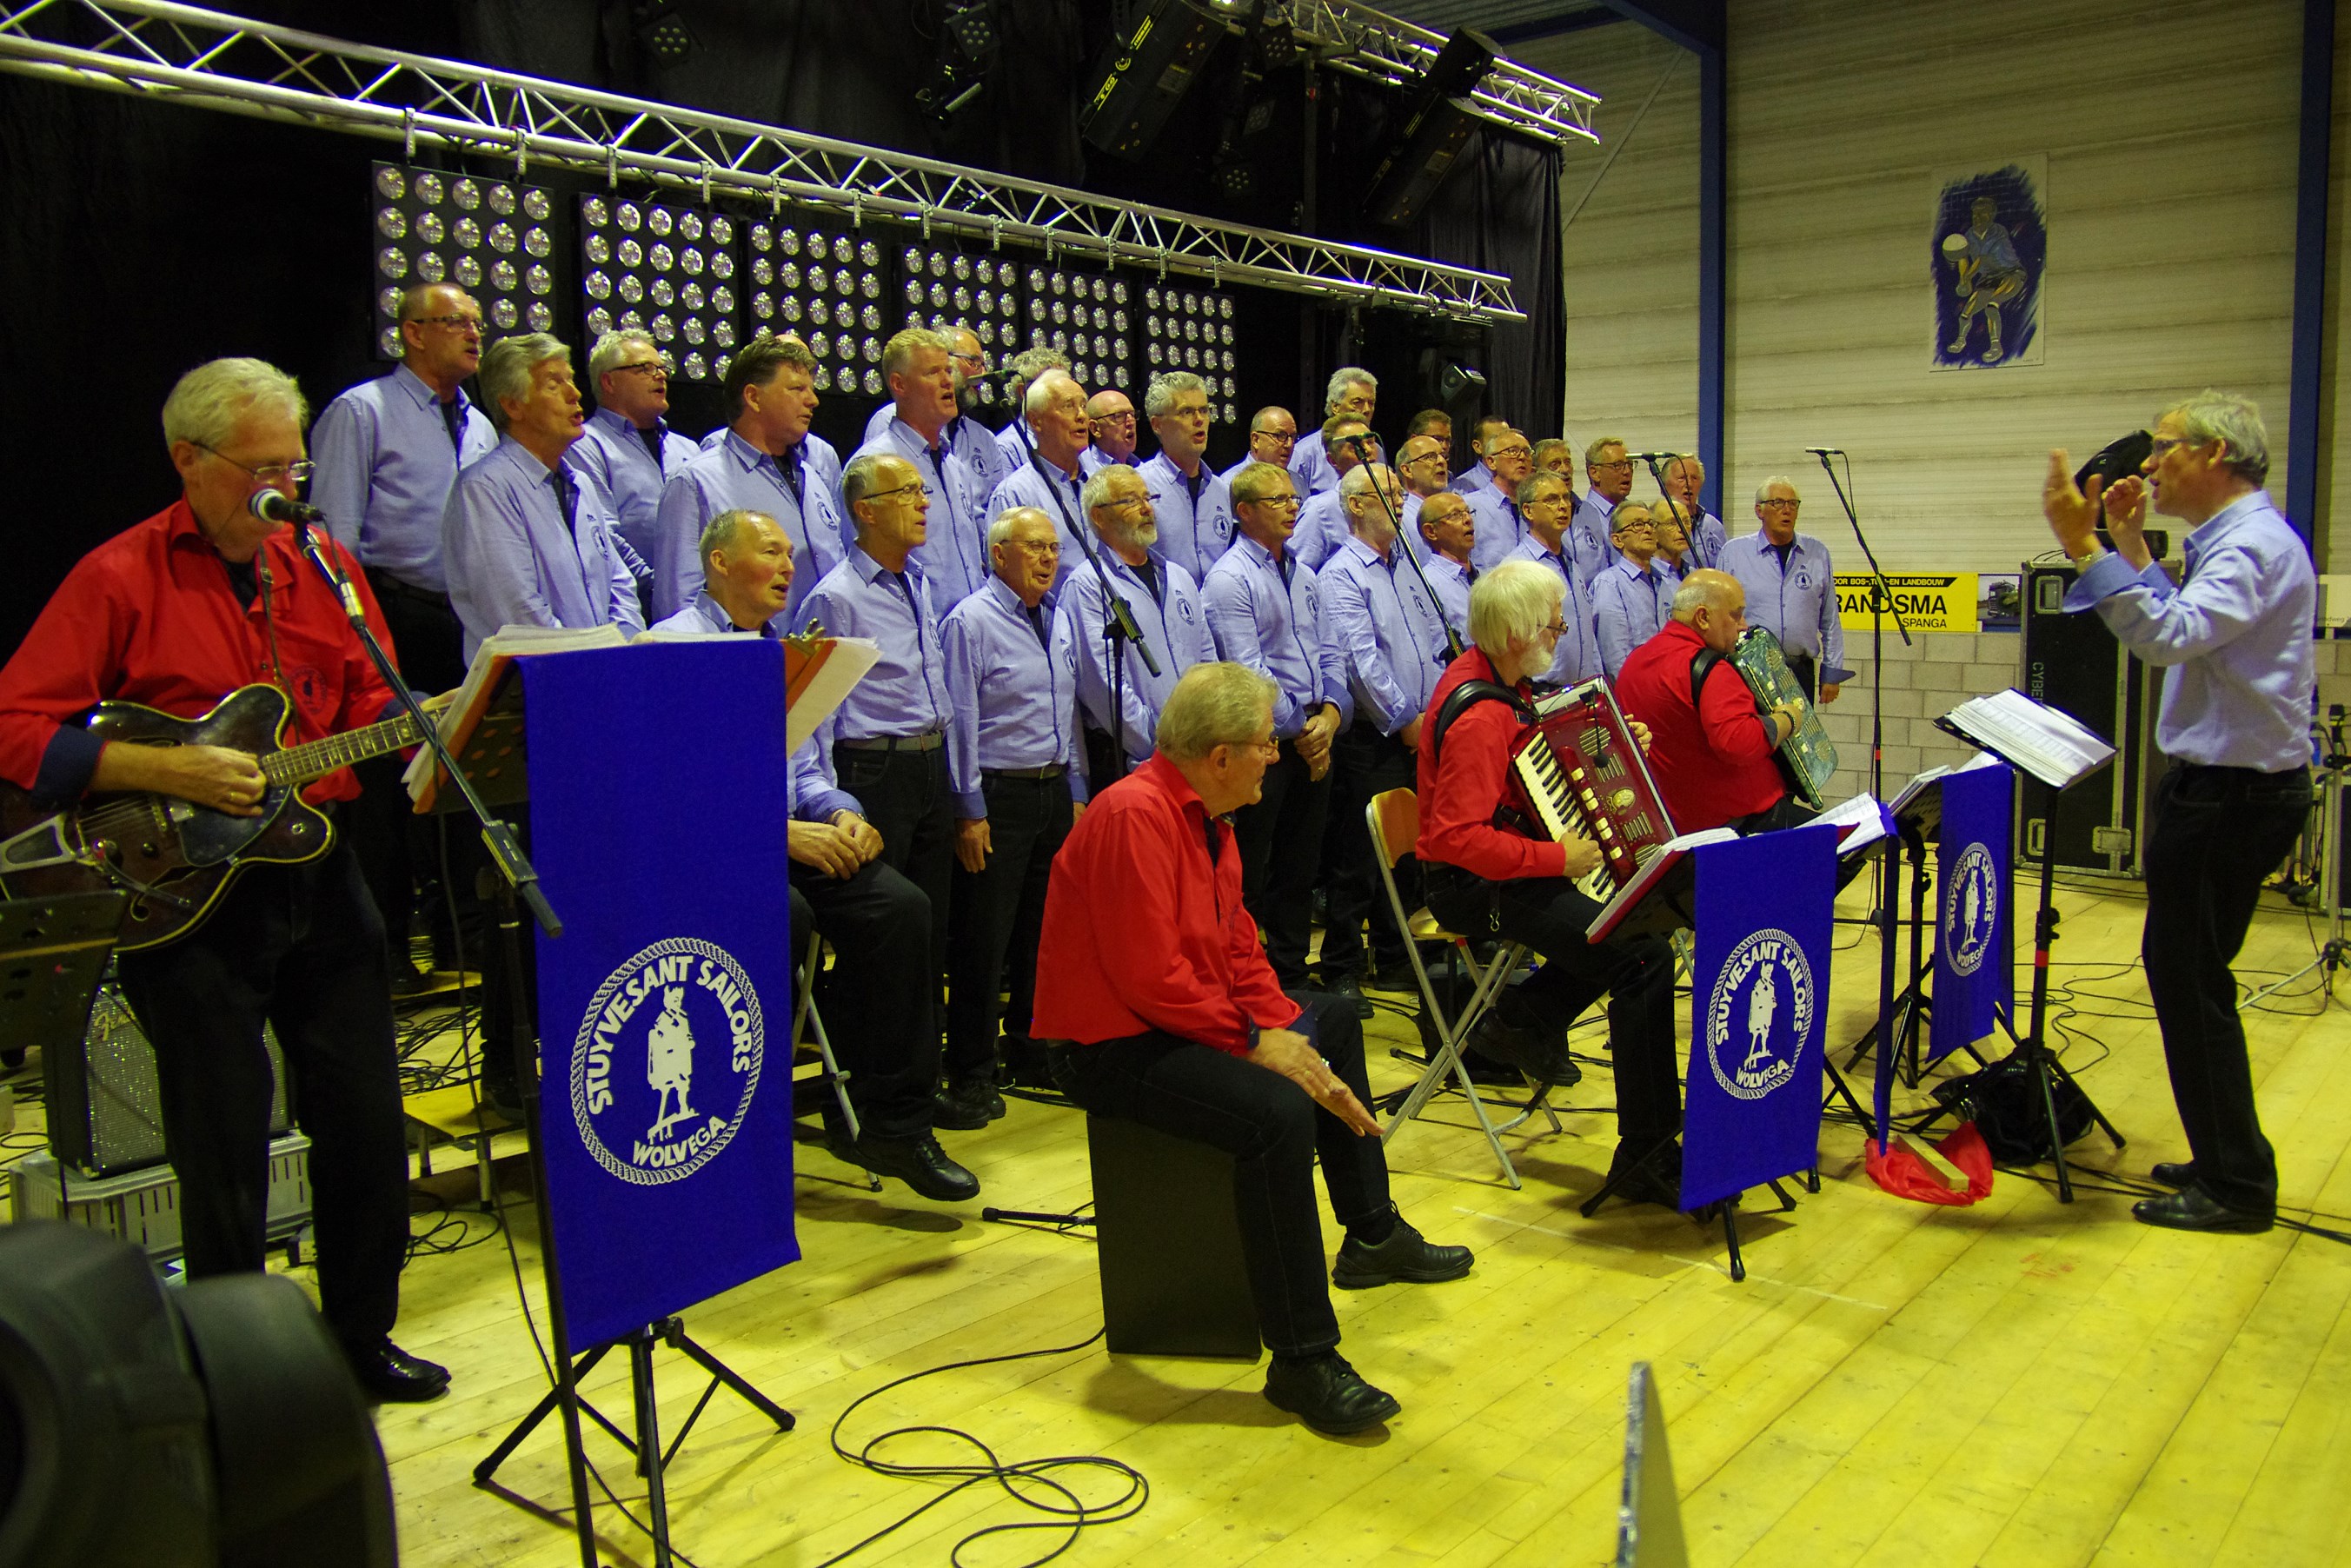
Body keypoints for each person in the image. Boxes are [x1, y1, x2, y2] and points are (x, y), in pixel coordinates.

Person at [0, 357, 444, 1400]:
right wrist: (163, 767)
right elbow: (17, 726)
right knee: (223, 1136)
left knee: (365, 1115)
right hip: (184, 901)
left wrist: (428, 739)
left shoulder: (322, 561)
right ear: (188, 463)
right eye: (261, 469)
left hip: (318, 867)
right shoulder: (119, 575)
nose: (283, 490)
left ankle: (358, 1338)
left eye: (294, 466)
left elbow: (368, 699)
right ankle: (236, 1366)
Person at [1035, 662, 1473, 1435]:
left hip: (1171, 1018)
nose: (1278, 753)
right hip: (1106, 1044)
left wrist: (1284, 1032)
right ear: (1219, 757)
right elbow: (1150, 979)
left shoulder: (1211, 817)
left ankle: (1371, 1233)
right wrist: (1256, 1046)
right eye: (1265, 743)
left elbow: (1237, 948)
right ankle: (1303, 1360)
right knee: (1275, 1111)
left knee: (1331, 1020)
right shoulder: (1132, 816)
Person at [2042, 390, 2314, 1234]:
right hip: (2220, 787)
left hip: (2229, 795)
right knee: (2190, 976)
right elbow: (2194, 628)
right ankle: (2223, 1156)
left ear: (2216, 454)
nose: (2149, 464)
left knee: (2188, 981)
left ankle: (2236, 1184)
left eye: (2163, 448)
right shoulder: (2239, 542)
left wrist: (2082, 544)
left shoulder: (2253, 546)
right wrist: (2126, 544)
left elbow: (2166, 637)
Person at [647, 507, 971, 1200]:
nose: (790, 566)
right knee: (785, 917)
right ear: (719, 563)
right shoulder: (669, 646)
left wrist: (845, 814)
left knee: (900, 908)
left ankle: (892, 1122)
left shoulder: (788, 652)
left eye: (792, 552)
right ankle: (738, 1126)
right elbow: (670, 792)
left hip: (789, 836)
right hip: (708, 853)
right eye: (770, 552)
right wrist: (773, 833)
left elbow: (811, 772)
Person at [1416, 561, 1683, 1204]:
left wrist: (1615, 742)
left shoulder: (1499, 682)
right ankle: (1646, 1152)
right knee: (1641, 956)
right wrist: (1554, 859)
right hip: (1471, 885)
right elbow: (1454, 839)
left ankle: (1520, 1020)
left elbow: (1537, 760)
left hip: (1508, 868)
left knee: (1633, 929)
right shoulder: (1481, 714)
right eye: (1552, 621)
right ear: (1515, 632)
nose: (1562, 630)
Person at [309, 282, 499, 991]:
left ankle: (460, 937)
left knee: (457, 783)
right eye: (456, 323)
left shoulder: (479, 424)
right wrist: (352, 635)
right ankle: (383, 950)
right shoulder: (363, 411)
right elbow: (332, 536)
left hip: (463, 617)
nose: (474, 336)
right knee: (388, 793)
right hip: (391, 612)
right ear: (413, 333)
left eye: (478, 325)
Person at [806, 451, 961, 1115]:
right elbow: (817, 708)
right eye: (906, 493)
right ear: (865, 511)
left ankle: (922, 1082)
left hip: (929, 759)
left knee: (928, 936)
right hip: (874, 769)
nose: (923, 503)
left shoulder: (918, 580)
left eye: (924, 491)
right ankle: (874, 1095)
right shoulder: (836, 595)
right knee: (886, 943)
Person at [942, 508, 1087, 1106]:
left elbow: (1069, 708)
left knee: (1044, 934)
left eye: (1053, 548)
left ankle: (1031, 1049)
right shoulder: (969, 622)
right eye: (1034, 547)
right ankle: (972, 1072)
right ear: (998, 554)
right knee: (986, 940)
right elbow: (960, 722)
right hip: (997, 796)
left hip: (1052, 788)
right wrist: (968, 810)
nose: (1048, 558)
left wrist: (1076, 788)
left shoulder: (1057, 618)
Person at [1203, 462, 1349, 987]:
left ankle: (1289, 969)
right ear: (1244, 513)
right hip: (1264, 740)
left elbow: (1332, 653)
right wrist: (1302, 729)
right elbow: (1248, 669)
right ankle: (1243, 974)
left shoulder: (1305, 575)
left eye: (1294, 498)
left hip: (1314, 734)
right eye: (1278, 500)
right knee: (1253, 866)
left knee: (1300, 864)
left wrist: (1330, 716)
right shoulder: (1229, 578)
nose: (1293, 507)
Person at [1318, 462, 1451, 1010]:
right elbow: (1359, 661)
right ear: (1354, 505)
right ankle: (1341, 965)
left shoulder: (1406, 567)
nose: (1399, 502)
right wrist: (1406, 719)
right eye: (1387, 493)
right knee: (1359, 856)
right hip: (1376, 735)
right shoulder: (1342, 573)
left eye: (1400, 493)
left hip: (1420, 729)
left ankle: (1395, 955)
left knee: (1409, 852)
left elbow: (1429, 644)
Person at [443, 334, 644, 658]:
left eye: (571, 380)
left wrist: (621, 652)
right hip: (533, 688)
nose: (574, 394)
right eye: (554, 384)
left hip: (603, 674)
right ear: (512, 404)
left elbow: (619, 583)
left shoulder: (581, 483)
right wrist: (590, 663)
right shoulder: (485, 487)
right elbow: (517, 613)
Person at [654, 333, 842, 634]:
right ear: (753, 397)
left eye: (811, 389)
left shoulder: (815, 477)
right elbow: (679, 602)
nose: (813, 400)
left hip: (825, 665)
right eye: (797, 389)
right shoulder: (696, 482)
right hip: (748, 665)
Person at [1612, 570, 1809, 834]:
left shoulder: (1635, 661)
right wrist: (1787, 719)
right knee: (1845, 849)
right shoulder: (1713, 669)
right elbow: (1737, 743)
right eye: (1736, 614)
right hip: (1738, 824)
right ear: (1703, 617)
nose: (1744, 625)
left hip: (1676, 824)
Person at [1063, 463, 1213, 782]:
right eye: (1131, 501)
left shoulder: (1179, 577)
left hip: (1196, 752)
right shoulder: (1089, 584)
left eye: (1148, 498)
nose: (1147, 508)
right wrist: (1161, 744)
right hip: (1133, 759)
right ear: (1099, 517)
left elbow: (1208, 659)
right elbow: (1101, 682)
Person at [850, 327, 996, 608]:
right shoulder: (875, 465)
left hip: (967, 633)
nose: (948, 382)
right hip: (913, 630)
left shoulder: (954, 466)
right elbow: (864, 569)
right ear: (899, 384)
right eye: (933, 373)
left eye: (948, 371)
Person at [566, 328, 697, 609]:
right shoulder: (585, 444)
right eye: (644, 368)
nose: (660, 375)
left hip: (696, 604)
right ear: (609, 381)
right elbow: (604, 534)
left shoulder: (688, 449)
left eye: (662, 368)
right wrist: (656, 588)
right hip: (633, 605)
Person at [1717, 477, 1849, 701]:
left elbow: (1830, 619)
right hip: (1749, 670)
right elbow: (1719, 615)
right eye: (1778, 503)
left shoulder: (1817, 553)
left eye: (1793, 504)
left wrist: (1832, 671)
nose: (1786, 510)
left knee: (1801, 736)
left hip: (1799, 671)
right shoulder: (1734, 553)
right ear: (1760, 510)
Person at [865, 325, 1009, 498]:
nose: (983, 373)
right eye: (973, 361)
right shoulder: (887, 421)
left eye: (948, 371)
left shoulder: (982, 440)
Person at [982, 368, 1091, 579]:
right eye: (1068, 406)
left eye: (1084, 406)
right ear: (1036, 421)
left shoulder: (1098, 482)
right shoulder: (1014, 494)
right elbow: (1004, 575)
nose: (1081, 416)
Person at [1504, 469, 1604, 686]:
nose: (1563, 505)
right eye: (1551, 499)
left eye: (1565, 497)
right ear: (1528, 511)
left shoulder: (1570, 562)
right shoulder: (1518, 568)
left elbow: (1585, 629)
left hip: (1584, 688)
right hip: (1542, 693)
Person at [1139, 370, 1235, 585]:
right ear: (1157, 425)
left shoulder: (1221, 490)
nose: (1199, 420)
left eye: (1204, 410)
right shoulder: (1139, 487)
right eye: (1186, 412)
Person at [1288, 414, 1380, 571]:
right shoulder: (1321, 509)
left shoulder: (1391, 502)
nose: (1367, 450)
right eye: (1354, 446)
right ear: (1332, 461)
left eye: (1370, 442)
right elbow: (1297, 572)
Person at [1592, 501, 1672, 679]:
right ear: (1617, 540)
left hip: (1667, 686)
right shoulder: (1610, 584)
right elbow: (1615, 657)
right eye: (1638, 525)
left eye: (1651, 524)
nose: (1648, 530)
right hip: (1635, 691)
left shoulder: (1665, 581)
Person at [1289, 368, 1378, 499]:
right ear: (1335, 407)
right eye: (1357, 402)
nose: (1366, 410)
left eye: (1371, 403)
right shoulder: (1303, 454)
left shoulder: (1376, 449)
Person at [1467, 429, 1542, 573]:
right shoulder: (1469, 507)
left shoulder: (1539, 507)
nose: (1522, 457)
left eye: (1527, 452)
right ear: (1491, 462)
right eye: (1513, 451)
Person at [993, 345, 1072, 472]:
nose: (1067, 394)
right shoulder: (1007, 447)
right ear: (1023, 391)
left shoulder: (1073, 439)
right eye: (1054, 387)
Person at [1413, 490, 1478, 645]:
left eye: (1468, 512)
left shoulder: (1482, 577)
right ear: (1431, 531)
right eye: (1455, 515)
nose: (1468, 519)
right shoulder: (1428, 585)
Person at [1573, 436, 1635, 574]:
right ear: (1595, 473)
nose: (1627, 472)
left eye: (1630, 464)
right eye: (1617, 466)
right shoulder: (1578, 518)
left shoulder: (1636, 514)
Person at [1662, 454, 1727, 568]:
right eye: (1682, 478)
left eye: (1694, 478)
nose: (1689, 484)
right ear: (1664, 486)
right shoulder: (1653, 523)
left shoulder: (1714, 526)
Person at [1222, 404, 1299, 487]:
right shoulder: (1231, 483)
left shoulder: (1298, 483)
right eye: (1280, 435)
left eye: (1293, 437)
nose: (1289, 444)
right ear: (1256, 440)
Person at [1394, 433, 1451, 540]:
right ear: (1407, 470)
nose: (1441, 462)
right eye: (1430, 457)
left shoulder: (1453, 510)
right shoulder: (1402, 517)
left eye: (1443, 456)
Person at [1450, 414, 1512, 498]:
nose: (1506, 444)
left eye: (1508, 438)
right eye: (1496, 439)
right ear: (1477, 446)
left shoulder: (1521, 480)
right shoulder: (1459, 490)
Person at [1082, 388, 1139, 475]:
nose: (1130, 422)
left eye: (1132, 414)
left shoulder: (1142, 469)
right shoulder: (1086, 473)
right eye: (1119, 416)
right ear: (1095, 428)